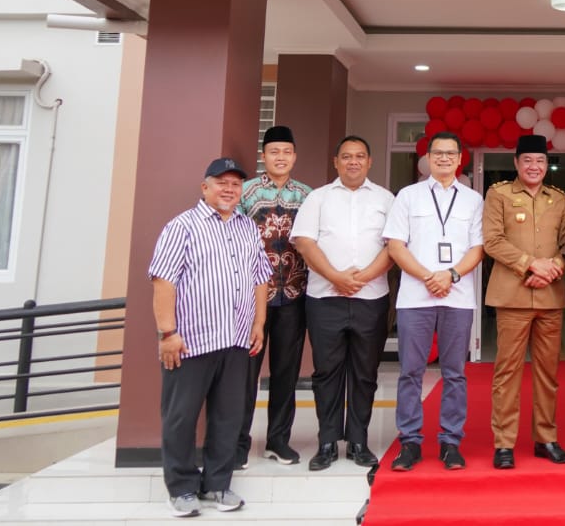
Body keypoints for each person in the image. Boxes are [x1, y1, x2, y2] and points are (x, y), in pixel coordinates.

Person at [149, 157, 271, 518]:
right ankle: (182, 488)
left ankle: (218, 484)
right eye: (222, 183)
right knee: (181, 416)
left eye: (235, 184)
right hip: (191, 341)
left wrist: (259, 322)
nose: (229, 189)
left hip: (236, 339)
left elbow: (260, 277)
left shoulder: (247, 227)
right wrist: (167, 333)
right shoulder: (182, 227)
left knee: (227, 417)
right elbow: (163, 281)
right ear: (205, 187)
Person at [291, 136, 394, 471]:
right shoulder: (317, 198)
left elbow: (394, 246)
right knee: (327, 372)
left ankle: (359, 441)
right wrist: (336, 277)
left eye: (360, 156)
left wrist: (361, 278)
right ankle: (327, 442)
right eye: (347, 156)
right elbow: (305, 243)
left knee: (365, 372)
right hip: (325, 298)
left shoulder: (386, 199)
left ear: (369, 162)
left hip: (371, 299)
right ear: (335, 162)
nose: (353, 162)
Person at [384, 131, 485, 472]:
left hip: (458, 298)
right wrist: (429, 276)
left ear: (460, 159)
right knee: (411, 372)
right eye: (437, 153)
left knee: (455, 373)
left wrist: (450, 275)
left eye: (450, 153)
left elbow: (478, 248)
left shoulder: (473, 200)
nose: (444, 158)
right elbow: (395, 246)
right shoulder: (408, 196)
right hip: (415, 297)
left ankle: (450, 442)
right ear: (427, 158)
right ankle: (410, 442)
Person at [483, 133, 565, 469]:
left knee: (548, 373)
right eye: (527, 160)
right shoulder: (499, 194)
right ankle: (504, 443)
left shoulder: (558, 199)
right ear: (516, 163)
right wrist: (531, 264)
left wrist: (552, 269)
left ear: (546, 164)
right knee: (507, 372)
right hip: (512, 296)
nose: (534, 166)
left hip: (550, 296)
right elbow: (492, 241)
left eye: (539, 161)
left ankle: (546, 439)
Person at [234, 125, 312, 468]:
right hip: (252, 299)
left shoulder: (308, 195)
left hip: (293, 294)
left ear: (294, 156)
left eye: (287, 152)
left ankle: (278, 441)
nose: (281, 157)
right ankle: (238, 443)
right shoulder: (246, 192)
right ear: (263, 156)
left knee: (285, 372)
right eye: (274, 152)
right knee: (244, 374)